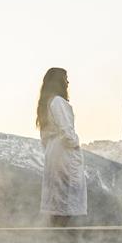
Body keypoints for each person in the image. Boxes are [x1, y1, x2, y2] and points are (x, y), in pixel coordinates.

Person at [37, 67, 87, 226]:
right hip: (64, 153)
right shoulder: (58, 102)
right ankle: (64, 240)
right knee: (66, 199)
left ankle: (55, 240)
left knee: (57, 198)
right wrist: (75, 143)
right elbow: (67, 131)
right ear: (58, 81)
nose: (68, 82)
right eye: (65, 78)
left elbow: (44, 136)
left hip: (53, 151)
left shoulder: (47, 104)